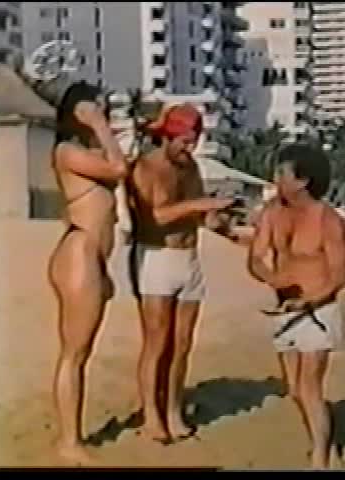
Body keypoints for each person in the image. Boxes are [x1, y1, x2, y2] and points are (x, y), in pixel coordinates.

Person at [126, 104, 237, 443]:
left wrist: (225, 223)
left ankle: (173, 409)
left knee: (182, 345)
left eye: (194, 142)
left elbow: (203, 216)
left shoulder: (191, 168)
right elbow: (155, 217)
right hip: (155, 256)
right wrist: (200, 205)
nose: (189, 148)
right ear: (168, 136)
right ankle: (151, 416)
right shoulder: (146, 166)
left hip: (189, 258)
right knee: (156, 343)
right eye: (185, 142)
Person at [248, 143, 345, 469]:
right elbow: (255, 257)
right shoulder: (272, 213)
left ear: (303, 181)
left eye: (282, 173)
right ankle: (324, 435)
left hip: (318, 311)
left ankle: (321, 456)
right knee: (294, 389)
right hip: (285, 312)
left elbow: (338, 277)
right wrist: (271, 278)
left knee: (309, 387)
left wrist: (308, 301)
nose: (275, 178)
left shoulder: (328, 220)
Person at [47, 82, 128, 464]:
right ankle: (69, 441)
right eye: (95, 108)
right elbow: (119, 168)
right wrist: (99, 125)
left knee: (81, 351)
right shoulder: (67, 150)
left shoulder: (85, 152)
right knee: (74, 353)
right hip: (79, 251)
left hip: (91, 255)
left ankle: (71, 436)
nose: (102, 114)